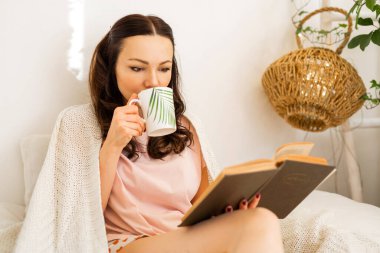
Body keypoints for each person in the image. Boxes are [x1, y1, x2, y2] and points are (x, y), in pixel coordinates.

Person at [89, 13, 284, 253]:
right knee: (261, 222)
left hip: (182, 238)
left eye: (164, 68)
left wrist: (232, 214)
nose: (153, 81)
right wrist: (112, 145)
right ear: (111, 69)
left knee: (259, 218)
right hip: (127, 243)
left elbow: (200, 209)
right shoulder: (83, 123)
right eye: (137, 68)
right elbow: (80, 218)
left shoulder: (187, 127)